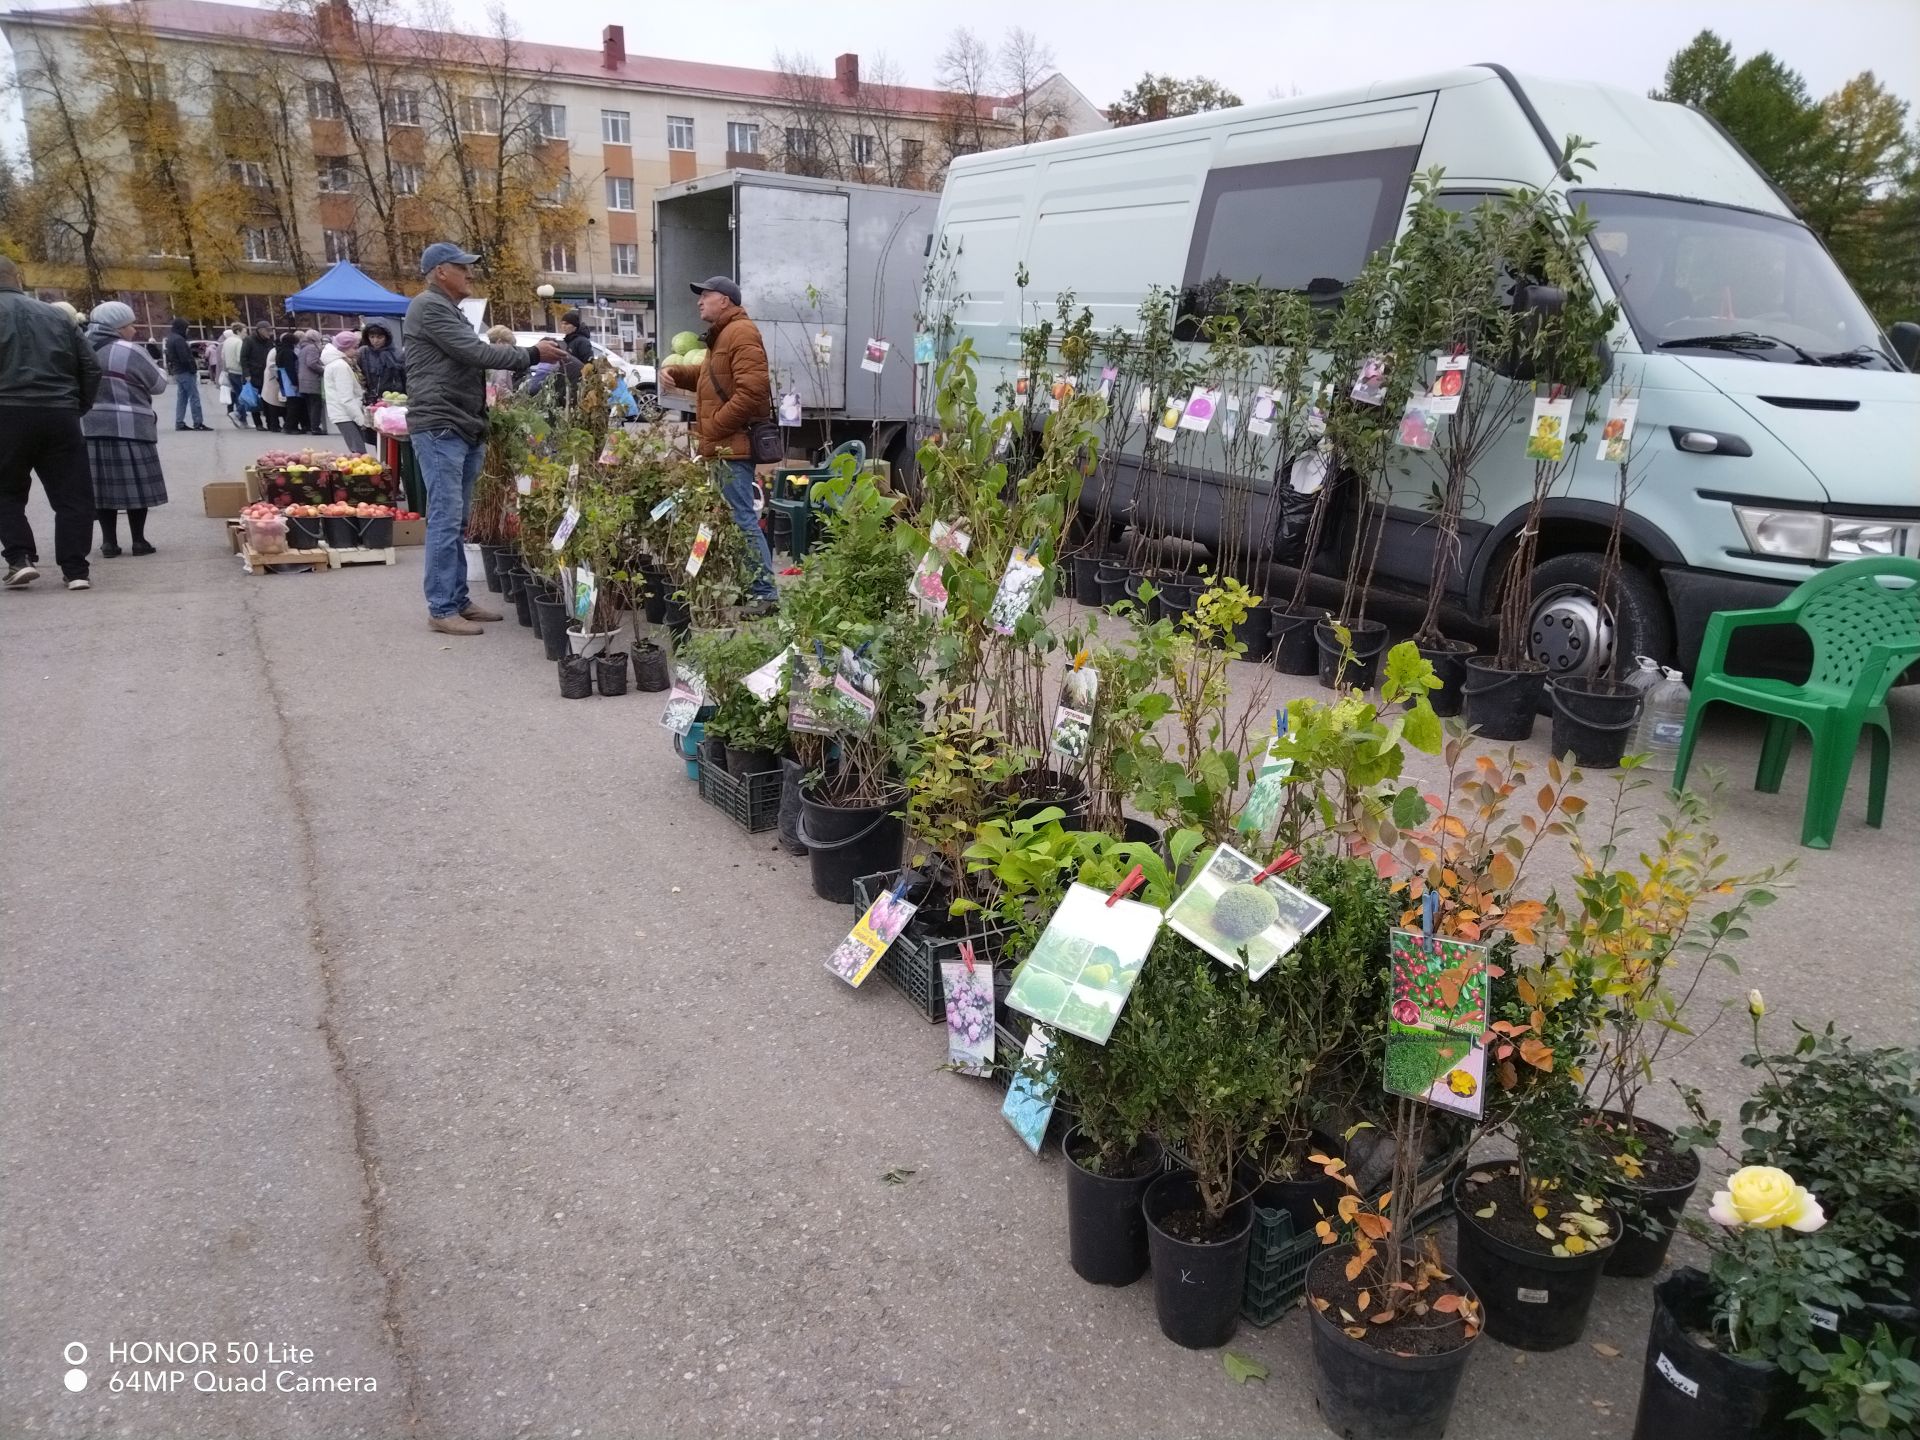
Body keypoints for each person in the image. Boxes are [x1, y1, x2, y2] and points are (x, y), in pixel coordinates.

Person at [403, 241, 563, 635]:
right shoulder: (428, 306)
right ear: (441, 271)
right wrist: (532, 354)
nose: (470, 273)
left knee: (456, 520)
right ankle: (441, 608)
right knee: (444, 519)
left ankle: (456, 600)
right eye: (463, 267)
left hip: (462, 423)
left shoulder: (447, 310)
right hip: (441, 424)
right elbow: (476, 353)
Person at [661, 275, 776, 612]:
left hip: (732, 446)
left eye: (706, 296)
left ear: (724, 300)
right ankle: (752, 585)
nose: (699, 301)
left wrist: (714, 426)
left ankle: (765, 594)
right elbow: (713, 379)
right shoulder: (723, 336)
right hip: (722, 444)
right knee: (729, 518)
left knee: (741, 517)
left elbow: (753, 391)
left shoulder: (740, 332)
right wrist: (680, 374)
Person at [0, 255, 102, 590]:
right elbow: (90, 367)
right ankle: (76, 570)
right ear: (18, 276)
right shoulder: (57, 316)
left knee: (6, 491)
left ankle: (19, 558)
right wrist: (77, 407)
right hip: (59, 412)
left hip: (7, 412)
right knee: (72, 494)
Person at [81, 301, 169, 558]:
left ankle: (109, 543)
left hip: (90, 426)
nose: (134, 330)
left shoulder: (80, 348)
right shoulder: (129, 351)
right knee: (136, 488)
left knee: (102, 488)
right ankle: (139, 540)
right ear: (118, 327)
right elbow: (158, 384)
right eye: (130, 325)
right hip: (131, 426)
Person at [322, 330, 371, 454]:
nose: (356, 351)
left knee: (358, 451)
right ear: (345, 347)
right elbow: (346, 397)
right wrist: (361, 420)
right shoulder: (340, 366)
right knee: (359, 453)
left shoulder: (335, 363)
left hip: (343, 413)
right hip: (345, 414)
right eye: (354, 347)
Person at [164, 316, 209, 431]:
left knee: (182, 398)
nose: (187, 330)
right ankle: (198, 422)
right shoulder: (179, 340)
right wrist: (192, 368)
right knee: (194, 397)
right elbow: (184, 357)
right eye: (186, 328)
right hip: (185, 371)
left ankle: (179, 422)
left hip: (178, 371)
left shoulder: (171, 339)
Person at [358, 319, 405, 406]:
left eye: (379, 337)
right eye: (372, 337)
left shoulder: (398, 354)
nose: (375, 341)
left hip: (393, 400)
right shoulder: (363, 353)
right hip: (369, 400)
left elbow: (404, 378)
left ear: (387, 337)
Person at [240, 322, 273, 431]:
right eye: (267, 330)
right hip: (254, 374)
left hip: (266, 374)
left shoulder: (268, 341)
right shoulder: (249, 341)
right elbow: (243, 358)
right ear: (260, 330)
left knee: (267, 398)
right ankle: (258, 423)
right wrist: (247, 374)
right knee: (254, 399)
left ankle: (270, 422)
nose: (270, 332)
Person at [273, 330, 305, 433]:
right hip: (289, 379)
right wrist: (295, 381)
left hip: (284, 378)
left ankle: (290, 426)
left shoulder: (280, 350)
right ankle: (290, 426)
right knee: (293, 404)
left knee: (290, 403)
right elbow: (290, 368)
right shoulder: (288, 352)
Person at [295, 329, 324, 428]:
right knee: (316, 404)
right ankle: (315, 427)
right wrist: (323, 370)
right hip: (312, 380)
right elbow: (311, 363)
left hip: (303, 381)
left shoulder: (303, 348)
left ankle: (311, 425)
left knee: (310, 405)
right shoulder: (312, 348)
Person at [220, 321, 245, 423]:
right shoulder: (239, 342)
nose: (245, 334)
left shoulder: (227, 341)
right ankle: (238, 414)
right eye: (244, 331)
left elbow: (223, 356)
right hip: (239, 371)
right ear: (238, 331)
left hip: (230, 371)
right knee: (243, 396)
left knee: (237, 394)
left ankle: (242, 419)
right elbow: (240, 358)